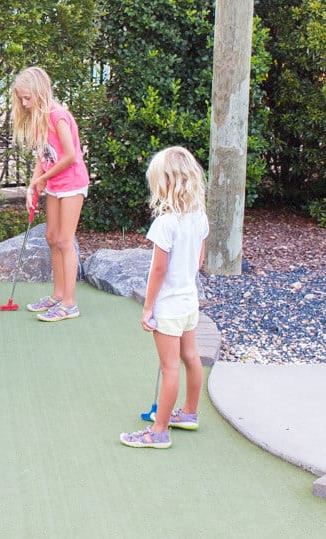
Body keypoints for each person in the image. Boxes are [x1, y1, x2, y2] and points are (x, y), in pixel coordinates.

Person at [120, 146, 209, 449]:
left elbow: (158, 268)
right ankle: (189, 413)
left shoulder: (165, 223)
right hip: (189, 302)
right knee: (191, 358)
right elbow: (198, 261)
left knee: (169, 366)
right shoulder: (199, 216)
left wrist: (148, 307)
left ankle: (159, 431)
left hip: (169, 307)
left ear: (164, 183)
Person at [10, 66, 90, 322]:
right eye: (21, 99)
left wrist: (43, 179)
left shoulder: (59, 116)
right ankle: (57, 296)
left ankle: (70, 303)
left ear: (40, 92)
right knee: (51, 237)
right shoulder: (38, 118)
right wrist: (33, 185)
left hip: (72, 183)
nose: (24, 103)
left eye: (27, 98)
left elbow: (69, 156)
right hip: (54, 184)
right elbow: (42, 157)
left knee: (65, 240)